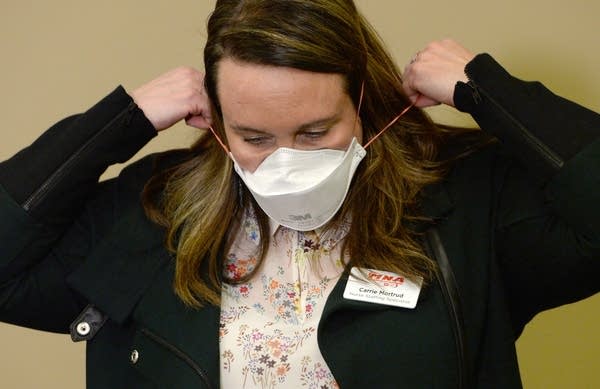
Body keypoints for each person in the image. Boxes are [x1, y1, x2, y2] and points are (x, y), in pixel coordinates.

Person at [0, 0, 598, 388]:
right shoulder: (156, 210)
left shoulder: (465, 201)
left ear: (363, 102)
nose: (287, 161)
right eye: (254, 136)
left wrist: (485, 90)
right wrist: (119, 122)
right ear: (215, 119)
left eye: (316, 132)